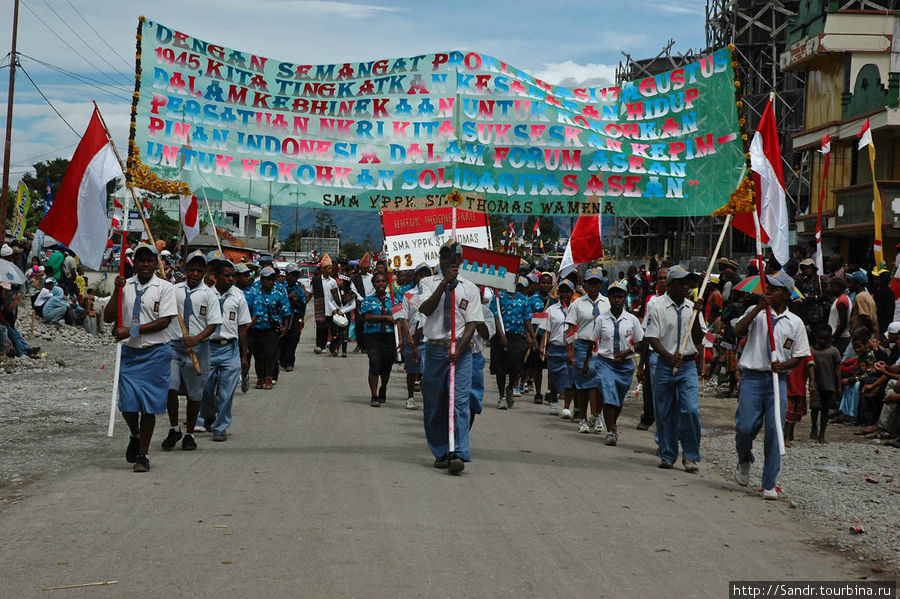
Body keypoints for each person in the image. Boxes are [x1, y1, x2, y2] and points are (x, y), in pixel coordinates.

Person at [732, 271, 811, 499]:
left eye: (774, 288)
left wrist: (783, 365)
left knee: (775, 430)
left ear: (786, 293)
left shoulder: (795, 322)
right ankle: (745, 458)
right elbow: (736, 331)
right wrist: (757, 308)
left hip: (778, 380)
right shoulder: (754, 312)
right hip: (752, 378)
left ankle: (769, 482)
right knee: (745, 427)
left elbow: (800, 355)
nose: (768, 291)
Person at [102, 242, 177, 472]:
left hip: (156, 353)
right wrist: (117, 290)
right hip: (130, 353)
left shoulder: (165, 288)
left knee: (149, 407)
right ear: (134, 262)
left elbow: (165, 321)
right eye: (141, 260)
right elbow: (108, 317)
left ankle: (143, 455)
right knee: (128, 405)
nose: (145, 264)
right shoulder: (125, 285)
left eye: (149, 260)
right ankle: (134, 434)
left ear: (156, 263)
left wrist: (131, 330)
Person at [417, 243, 483, 475]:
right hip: (435, 350)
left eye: (454, 258)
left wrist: (460, 349)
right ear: (440, 259)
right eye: (445, 258)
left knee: (459, 402)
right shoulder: (428, 283)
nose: (449, 262)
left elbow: (473, 323)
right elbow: (425, 309)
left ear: (461, 261)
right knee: (435, 404)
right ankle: (441, 450)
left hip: (461, 352)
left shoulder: (470, 288)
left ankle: (458, 451)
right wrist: (444, 283)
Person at [161, 250, 222, 452]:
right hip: (174, 346)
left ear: (204, 272)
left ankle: (190, 433)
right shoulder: (174, 289)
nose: (194, 273)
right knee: (170, 386)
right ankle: (173, 427)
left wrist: (197, 338)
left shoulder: (210, 294)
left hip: (198, 348)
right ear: (185, 270)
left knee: (195, 394)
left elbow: (213, 324)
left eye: (199, 270)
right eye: (191, 269)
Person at [645, 265, 703, 472]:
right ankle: (667, 454)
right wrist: (669, 357)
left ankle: (690, 456)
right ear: (670, 285)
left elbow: (698, 338)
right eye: (681, 283)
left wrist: (697, 314)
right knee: (665, 412)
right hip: (664, 364)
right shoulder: (657, 306)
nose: (685, 287)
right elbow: (652, 337)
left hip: (687, 366)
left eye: (687, 283)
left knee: (690, 410)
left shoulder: (692, 307)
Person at [201, 260, 251, 442]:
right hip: (209, 348)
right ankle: (208, 414)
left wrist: (244, 355)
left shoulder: (238, 296)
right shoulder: (206, 294)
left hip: (230, 348)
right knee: (205, 388)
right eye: (226, 275)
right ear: (216, 276)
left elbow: (242, 327)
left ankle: (220, 427)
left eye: (233, 276)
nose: (231, 279)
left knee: (226, 392)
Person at [593, 281, 643, 446]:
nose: (616, 300)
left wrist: (628, 352)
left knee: (619, 398)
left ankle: (613, 423)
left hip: (625, 365)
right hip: (605, 362)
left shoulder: (632, 320)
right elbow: (592, 342)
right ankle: (609, 432)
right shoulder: (601, 319)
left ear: (624, 298)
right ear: (609, 298)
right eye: (613, 297)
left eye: (620, 297)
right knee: (609, 395)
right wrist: (588, 362)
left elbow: (641, 343)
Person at [565, 267, 610, 433]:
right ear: (585, 284)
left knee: (600, 384)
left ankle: (597, 414)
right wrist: (570, 350)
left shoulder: (607, 302)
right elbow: (570, 328)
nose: (593, 286)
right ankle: (582, 418)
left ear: (601, 284)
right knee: (583, 385)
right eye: (590, 282)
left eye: (596, 283)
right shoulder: (577, 304)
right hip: (583, 346)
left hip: (602, 347)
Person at [490, 276, 537, 409]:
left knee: (516, 367)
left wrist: (533, 338)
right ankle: (501, 397)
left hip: (517, 337)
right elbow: (496, 317)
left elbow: (527, 319)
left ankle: (510, 387)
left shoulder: (523, 299)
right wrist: (502, 336)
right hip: (501, 336)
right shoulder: (498, 297)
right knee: (500, 368)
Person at [247, 266, 290, 389]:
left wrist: (285, 325)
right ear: (262, 279)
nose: (271, 282)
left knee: (270, 353)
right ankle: (260, 378)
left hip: (272, 328)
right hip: (256, 327)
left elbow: (285, 307)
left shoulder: (279, 289)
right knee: (258, 355)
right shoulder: (253, 289)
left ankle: (269, 377)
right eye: (268, 279)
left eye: (273, 279)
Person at [397, 263, 431, 410]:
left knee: (428, 371)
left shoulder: (435, 294)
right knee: (412, 370)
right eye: (421, 275)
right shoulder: (408, 294)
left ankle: (429, 397)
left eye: (427, 275)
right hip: (411, 338)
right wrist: (407, 337)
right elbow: (403, 317)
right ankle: (410, 397)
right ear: (416, 277)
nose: (424, 278)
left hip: (429, 338)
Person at [637, 266, 668, 430]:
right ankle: (648, 417)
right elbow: (646, 330)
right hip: (653, 352)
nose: (663, 281)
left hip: (671, 352)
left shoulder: (682, 301)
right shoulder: (651, 300)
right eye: (660, 278)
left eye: (666, 278)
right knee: (649, 387)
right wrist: (642, 361)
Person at [360, 271, 397, 406]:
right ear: (373, 284)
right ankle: (374, 395)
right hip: (372, 336)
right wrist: (386, 317)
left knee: (386, 366)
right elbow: (367, 317)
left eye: (383, 281)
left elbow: (400, 318)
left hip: (390, 336)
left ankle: (383, 387)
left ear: (387, 283)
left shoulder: (393, 299)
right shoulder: (368, 300)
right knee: (375, 364)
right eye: (377, 282)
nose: (380, 284)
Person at [540, 279, 575, 418]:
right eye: (563, 291)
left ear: (572, 293)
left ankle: (566, 407)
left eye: (568, 291)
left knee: (570, 377)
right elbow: (546, 330)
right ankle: (554, 401)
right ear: (558, 292)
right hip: (555, 348)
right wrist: (542, 347)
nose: (565, 294)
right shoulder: (551, 309)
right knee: (554, 377)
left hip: (571, 348)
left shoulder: (576, 308)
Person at [526, 272, 556, 403]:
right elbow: (527, 319)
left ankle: (550, 391)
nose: (546, 285)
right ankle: (538, 393)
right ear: (538, 284)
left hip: (550, 338)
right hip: (537, 337)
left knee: (551, 367)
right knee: (537, 367)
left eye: (548, 283)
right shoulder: (532, 300)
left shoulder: (555, 300)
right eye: (543, 282)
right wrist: (530, 337)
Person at [809, 324, 841, 443]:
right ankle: (814, 427)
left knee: (825, 410)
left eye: (825, 338)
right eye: (820, 338)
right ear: (816, 337)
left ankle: (822, 434)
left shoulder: (833, 351)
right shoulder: (811, 351)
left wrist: (839, 386)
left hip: (829, 385)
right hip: (816, 385)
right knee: (815, 408)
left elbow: (838, 369)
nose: (822, 341)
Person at [279, 264, 307, 371]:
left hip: (294, 316)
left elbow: (302, 305)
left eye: (296, 275)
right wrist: (288, 297)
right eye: (292, 275)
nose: (294, 278)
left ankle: (289, 361)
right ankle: (281, 359)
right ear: (287, 275)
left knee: (294, 338)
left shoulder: (299, 288)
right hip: (282, 316)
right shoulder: (280, 287)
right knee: (282, 339)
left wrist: (294, 301)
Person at [784, 353, 814, 447]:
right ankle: (786, 437)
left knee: (794, 413)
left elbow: (810, 364)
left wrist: (812, 381)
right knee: (788, 414)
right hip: (789, 385)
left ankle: (789, 434)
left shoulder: (804, 349)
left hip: (798, 385)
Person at [350, 253, 374, 353]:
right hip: (359, 303)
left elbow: (374, 289)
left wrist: (368, 298)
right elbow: (353, 289)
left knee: (368, 325)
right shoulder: (354, 277)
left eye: (367, 268)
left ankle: (366, 346)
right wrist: (360, 298)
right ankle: (359, 345)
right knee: (359, 325)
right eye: (364, 268)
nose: (366, 269)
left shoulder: (372, 277)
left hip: (370, 302)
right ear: (360, 267)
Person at [827, 278, 851, 355]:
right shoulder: (842, 298)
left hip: (840, 339)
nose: (829, 289)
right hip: (839, 338)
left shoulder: (842, 301)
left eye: (831, 287)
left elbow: (843, 323)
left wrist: (833, 338)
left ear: (837, 287)